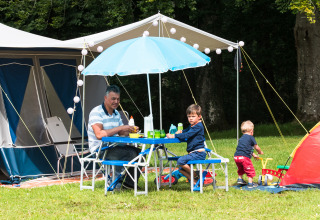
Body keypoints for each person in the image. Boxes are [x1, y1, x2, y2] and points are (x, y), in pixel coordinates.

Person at [88, 85, 141, 190]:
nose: (116, 102)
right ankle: (118, 182)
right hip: (101, 150)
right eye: (113, 99)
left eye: (118, 99)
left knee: (140, 153)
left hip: (114, 147)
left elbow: (121, 132)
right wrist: (121, 127)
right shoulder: (96, 112)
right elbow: (99, 135)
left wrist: (131, 130)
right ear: (105, 98)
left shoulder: (116, 113)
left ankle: (128, 184)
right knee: (132, 154)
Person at [166, 104, 206, 183]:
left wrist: (174, 136)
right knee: (181, 170)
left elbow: (188, 135)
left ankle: (195, 174)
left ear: (199, 116)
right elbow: (186, 131)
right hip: (193, 153)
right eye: (189, 116)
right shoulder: (192, 126)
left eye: (193, 116)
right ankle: (195, 182)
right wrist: (180, 131)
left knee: (180, 161)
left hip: (198, 153)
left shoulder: (198, 126)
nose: (190, 118)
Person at [234, 120, 264, 188]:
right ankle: (250, 184)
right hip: (244, 158)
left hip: (236, 157)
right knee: (250, 170)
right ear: (251, 130)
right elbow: (256, 147)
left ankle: (240, 179)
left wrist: (253, 155)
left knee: (241, 168)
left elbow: (245, 149)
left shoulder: (241, 138)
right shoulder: (251, 137)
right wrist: (260, 152)